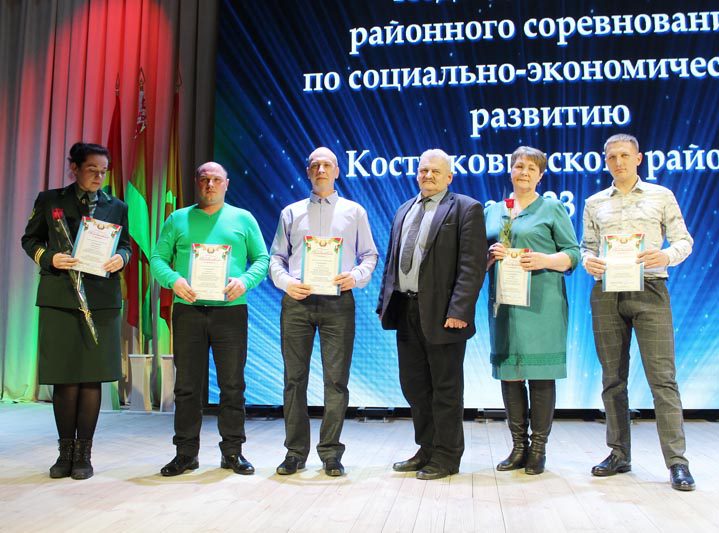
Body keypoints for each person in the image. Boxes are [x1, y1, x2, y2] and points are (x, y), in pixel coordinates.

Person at [581, 134, 695, 491]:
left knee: (663, 379)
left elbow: (684, 241)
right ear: (605, 161)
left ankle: (677, 462)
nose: (618, 162)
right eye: (611, 157)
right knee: (612, 379)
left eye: (624, 156)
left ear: (638, 158)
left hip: (650, 289)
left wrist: (666, 256)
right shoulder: (594, 202)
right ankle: (619, 454)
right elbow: (586, 247)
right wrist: (588, 261)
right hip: (606, 291)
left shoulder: (661, 195)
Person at [150, 162, 269, 477]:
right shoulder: (177, 219)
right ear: (197, 182)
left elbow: (262, 259)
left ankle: (233, 452)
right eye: (205, 179)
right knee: (187, 386)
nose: (210, 185)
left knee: (232, 385)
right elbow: (158, 258)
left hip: (230, 311)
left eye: (217, 179)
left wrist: (244, 281)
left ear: (227, 184)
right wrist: (174, 280)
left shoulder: (243, 218)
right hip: (188, 310)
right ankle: (185, 454)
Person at [21, 142, 131, 480]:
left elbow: (125, 245)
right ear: (74, 168)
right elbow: (30, 240)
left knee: (91, 378)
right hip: (61, 298)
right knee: (66, 379)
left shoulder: (116, 206)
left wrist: (121, 258)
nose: (98, 177)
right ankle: (64, 452)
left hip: (100, 300)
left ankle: (84, 454)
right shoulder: (50, 200)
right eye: (92, 170)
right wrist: (49, 258)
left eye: (103, 171)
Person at [377, 148, 487, 480]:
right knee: (414, 386)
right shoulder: (404, 209)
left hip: (444, 315)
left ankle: (447, 455)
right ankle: (426, 448)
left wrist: (460, 310)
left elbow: (472, 265)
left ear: (449, 177)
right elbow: (392, 261)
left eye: (435, 172)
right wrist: (385, 303)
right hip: (406, 309)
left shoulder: (466, 208)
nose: (428, 176)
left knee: (445, 389)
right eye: (424, 170)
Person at [269, 146, 378, 477]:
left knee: (336, 381)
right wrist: (286, 282)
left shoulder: (354, 212)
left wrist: (355, 277)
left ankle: (331, 452)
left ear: (337, 171)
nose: (320, 170)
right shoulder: (290, 212)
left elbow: (370, 255)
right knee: (294, 380)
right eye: (314, 165)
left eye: (327, 165)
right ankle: (295, 452)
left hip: (338, 302)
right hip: (297, 302)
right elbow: (276, 258)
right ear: (307, 172)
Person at [484, 146, 580, 475]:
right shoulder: (494, 211)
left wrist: (545, 260)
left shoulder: (552, 208)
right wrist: (490, 256)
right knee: (510, 375)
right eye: (519, 166)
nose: (524, 172)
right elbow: (475, 257)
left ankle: (538, 449)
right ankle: (518, 448)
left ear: (540, 175)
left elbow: (573, 253)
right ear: (510, 170)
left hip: (542, 304)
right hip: (505, 304)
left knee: (540, 375)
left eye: (531, 168)